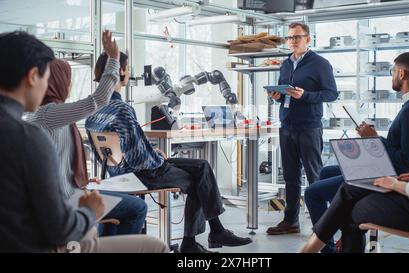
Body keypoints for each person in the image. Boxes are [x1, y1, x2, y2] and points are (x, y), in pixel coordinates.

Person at [0, 31, 167, 253]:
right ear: (32, 77)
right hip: (45, 238)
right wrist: (114, 59)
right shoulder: (40, 121)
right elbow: (97, 100)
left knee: (96, 227)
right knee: (154, 244)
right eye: (45, 77)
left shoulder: (22, 123)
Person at [84, 51, 252, 253]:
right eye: (128, 68)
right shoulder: (121, 109)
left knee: (202, 167)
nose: (129, 72)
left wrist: (152, 150)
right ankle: (199, 239)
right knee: (198, 180)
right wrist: (156, 157)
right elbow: (139, 159)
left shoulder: (93, 109)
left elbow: (112, 149)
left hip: (118, 172)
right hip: (142, 173)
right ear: (120, 70)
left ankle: (214, 232)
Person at [301, 65, 409, 253]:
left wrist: (373, 140)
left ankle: (323, 247)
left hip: (399, 179)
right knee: (326, 172)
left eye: (393, 71)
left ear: (401, 73)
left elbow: (405, 163)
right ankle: (327, 237)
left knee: (323, 192)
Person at [25, 31, 148, 237]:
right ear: (59, 81)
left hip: (69, 190)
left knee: (114, 204)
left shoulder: (46, 113)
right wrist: (114, 59)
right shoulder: (49, 112)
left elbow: (56, 161)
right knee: (137, 208)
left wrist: (81, 179)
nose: (71, 85)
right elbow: (97, 100)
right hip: (67, 199)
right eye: (68, 79)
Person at [266, 22, 338, 235]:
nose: (292, 41)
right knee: (290, 176)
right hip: (287, 125)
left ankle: (323, 225)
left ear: (308, 39)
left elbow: (331, 94)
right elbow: (285, 95)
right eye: (289, 38)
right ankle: (290, 221)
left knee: (315, 176)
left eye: (297, 37)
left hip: (309, 127)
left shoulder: (320, 64)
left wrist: (305, 95)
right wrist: (277, 97)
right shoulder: (286, 64)